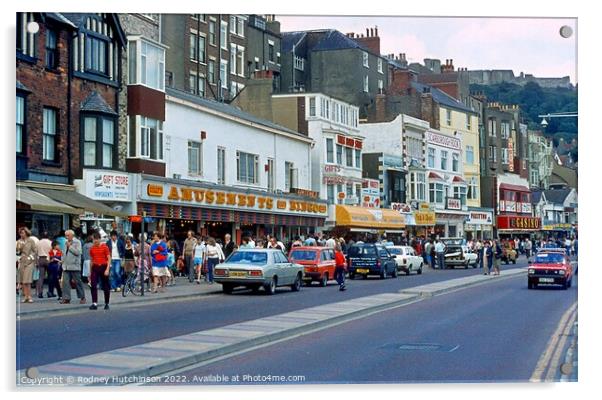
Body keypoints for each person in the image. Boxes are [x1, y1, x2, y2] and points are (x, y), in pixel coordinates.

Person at [60, 229, 86, 304]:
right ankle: (66, 298)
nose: (66, 237)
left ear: (72, 235)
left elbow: (78, 252)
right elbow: (64, 252)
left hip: (74, 266)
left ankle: (82, 297)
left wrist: (70, 247)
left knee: (78, 282)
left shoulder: (77, 242)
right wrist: (62, 260)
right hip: (66, 265)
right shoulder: (65, 242)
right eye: (66, 235)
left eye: (68, 235)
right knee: (65, 283)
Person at [88, 232, 111, 310]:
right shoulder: (92, 248)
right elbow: (91, 260)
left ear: (99, 239)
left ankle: (106, 303)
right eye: (94, 239)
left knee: (105, 286)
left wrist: (107, 269)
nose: (95, 241)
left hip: (103, 266)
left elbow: (109, 259)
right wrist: (89, 272)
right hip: (95, 267)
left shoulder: (105, 247)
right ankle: (94, 303)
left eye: (97, 239)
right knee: (93, 285)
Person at [17, 227, 37, 303]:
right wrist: (19, 247)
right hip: (22, 261)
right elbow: (18, 252)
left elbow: (35, 251)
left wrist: (30, 258)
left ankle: (29, 296)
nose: (21, 234)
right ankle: (26, 296)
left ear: (26, 232)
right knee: (23, 280)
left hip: (30, 262)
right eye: (20, 233)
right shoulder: (19, 241)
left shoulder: (31, 240)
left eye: (23, 232)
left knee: (27, 280)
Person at [36, 232, 52, 299]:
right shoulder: (50, 242)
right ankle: (50, 292)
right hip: (48, 259)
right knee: (50, 276)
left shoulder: (38, 242)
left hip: (41, 259)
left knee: (41, 277)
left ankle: (40, 293)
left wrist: (36, 261)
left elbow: (36, 252)